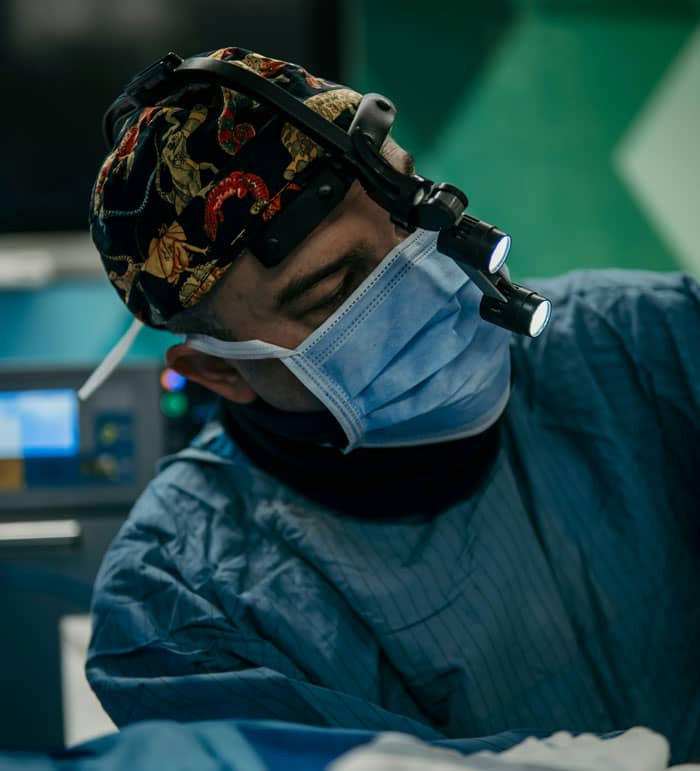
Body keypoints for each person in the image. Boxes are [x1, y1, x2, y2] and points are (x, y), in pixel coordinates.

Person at [86, 45, 700, 763]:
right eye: (335, 290)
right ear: (220, 372)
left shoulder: (647, 347)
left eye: (413, 215)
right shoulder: (183, 608)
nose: (428, 283)